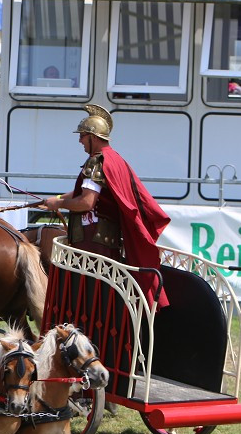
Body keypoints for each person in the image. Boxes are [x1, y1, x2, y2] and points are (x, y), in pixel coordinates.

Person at [41, 104, 171, 308]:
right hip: (104, 241)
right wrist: (56, 199)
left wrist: (58, 203)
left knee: (88, 299)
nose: (79, 141)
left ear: (93, 136)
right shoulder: (115, 159)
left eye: (82, 136)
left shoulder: (96, 162)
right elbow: (86, 194)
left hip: (91, 243)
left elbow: (86, 202)